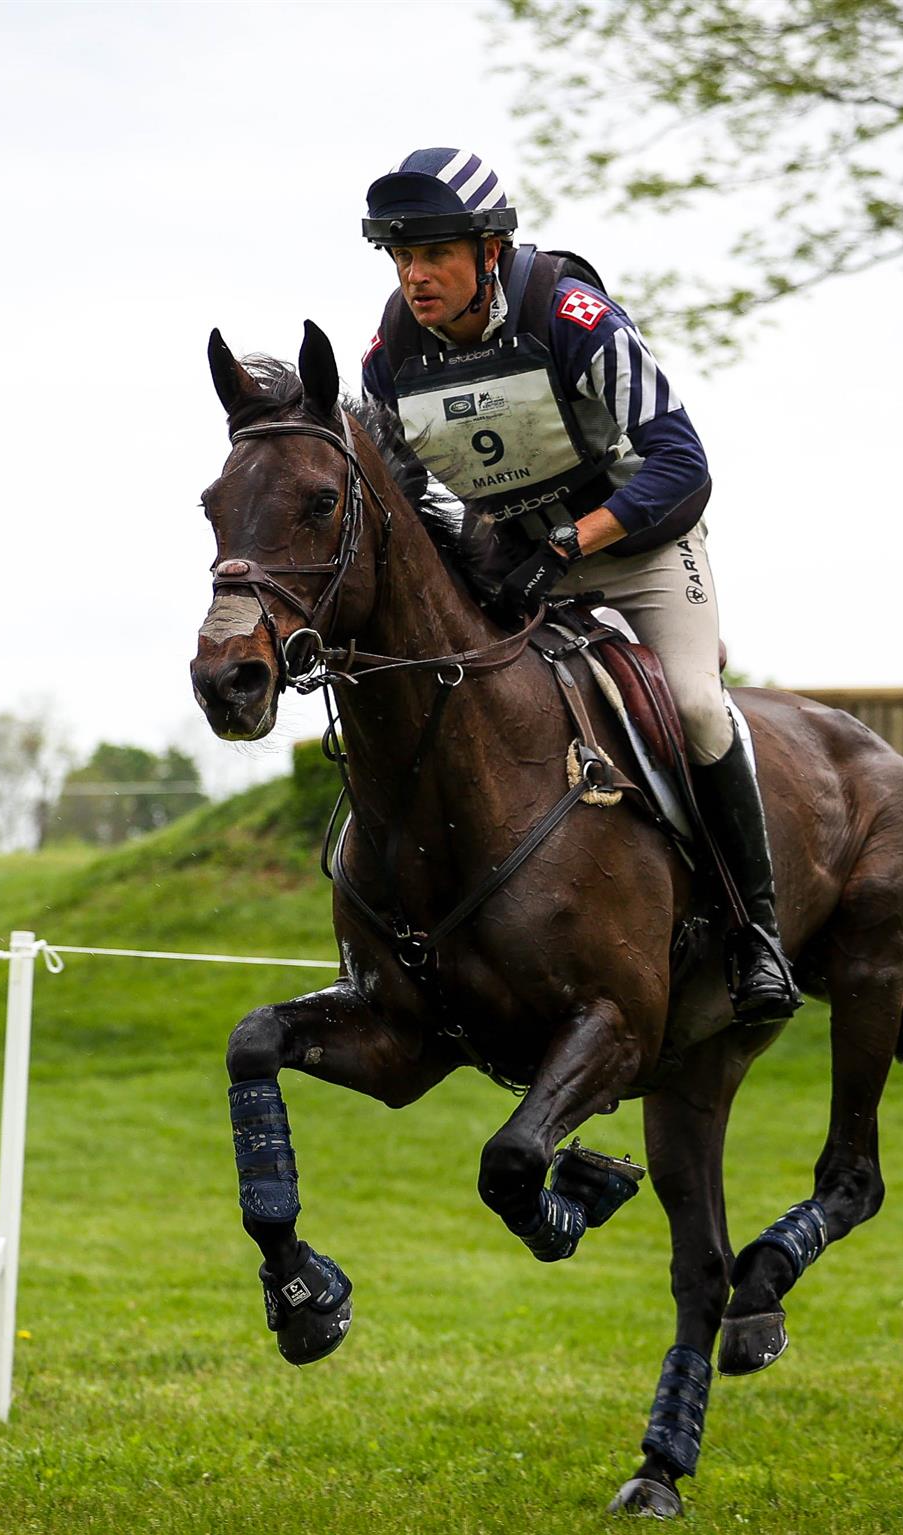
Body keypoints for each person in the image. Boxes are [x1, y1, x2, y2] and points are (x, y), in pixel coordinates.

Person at [359, 148, 799, 1022]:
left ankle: (757, 933)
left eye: (435, 253)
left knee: (697, 707)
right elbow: (398, 484)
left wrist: (567, 546)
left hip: (639, 548)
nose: (416, 276)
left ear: (489, 252)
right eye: (401, 256)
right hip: (516, 558)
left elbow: (681, 463)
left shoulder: (571, 315)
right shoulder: (393, 355)